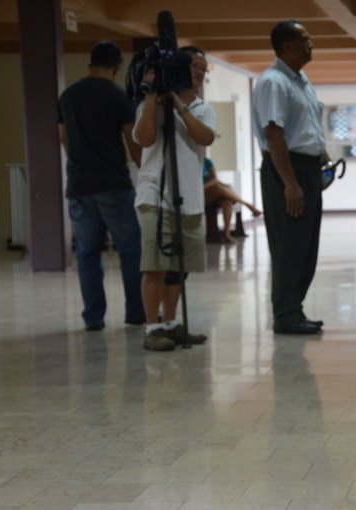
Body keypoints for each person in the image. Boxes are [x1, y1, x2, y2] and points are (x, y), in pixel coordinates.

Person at [133, 46, 217, 351]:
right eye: (193, 65)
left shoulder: (203, 108)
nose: (198, 72)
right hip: (155, 193)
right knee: (154, 264)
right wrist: (152, 100)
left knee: (178, 267)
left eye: (203, 68)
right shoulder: (151, 102)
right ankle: (152, 328)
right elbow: (145, 139)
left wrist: (179, 105)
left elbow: (204, 137)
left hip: (189, 196)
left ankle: (170, 323)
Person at [57, 41, 145, 331]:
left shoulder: (68, 95)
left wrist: (81, 163)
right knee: (130, 248)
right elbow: (132, 141)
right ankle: (135, 311)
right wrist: (146, 174)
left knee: (87, 252)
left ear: (89, 63)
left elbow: (64, 138)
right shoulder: (119, 96)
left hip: (79, 185)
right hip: (112, 183)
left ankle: (93, 317)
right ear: (117, 67)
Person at [252, 21, 331, 335]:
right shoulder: (274, 81)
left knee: (306, 246)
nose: (311, 44)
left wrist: (322, 159)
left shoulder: (300, 80)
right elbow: (274, 134)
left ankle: (294, 309)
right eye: (305, 40)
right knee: (289, 246)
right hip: (286, 168)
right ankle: (285, 315)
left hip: (307, 167)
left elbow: (308, 126)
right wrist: (291, 184)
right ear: (287, 46)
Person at [203, 157, 261, 244]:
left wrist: (205, 186)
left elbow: (214, 179)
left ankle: (227, 234)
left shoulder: (207, 162)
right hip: (201, 195)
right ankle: (248, 205)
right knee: (218, 187)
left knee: (227, 202)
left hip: (210, 191)